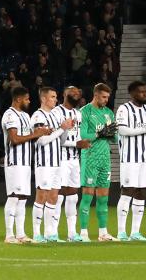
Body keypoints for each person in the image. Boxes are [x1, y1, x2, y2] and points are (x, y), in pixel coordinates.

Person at [2, 86, 50, 245]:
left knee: (22, 199)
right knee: (14, 197)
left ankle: (20, 234)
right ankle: (9, 235)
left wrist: (43, 132)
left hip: (25, 162)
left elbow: (31, 138)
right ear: (18, 99)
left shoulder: (25, 116)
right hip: (15, 162)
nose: (29, 101)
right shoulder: (10, 115)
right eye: (27, 99)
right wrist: (35, 134)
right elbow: (14, 139)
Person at [29, 86, 74, 243]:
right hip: (44, 162)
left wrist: (67, 129)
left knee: (54, 197)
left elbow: (60, 140)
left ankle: (49, 233)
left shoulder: (55, 116)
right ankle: (36, 233)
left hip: (57, 162)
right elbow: (41, 140)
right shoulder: (37, 116)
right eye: (53, 97)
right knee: (41, 196)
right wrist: (61, 129)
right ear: (43, 99)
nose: (56, 99)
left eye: (56, 97)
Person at [115, 81, 146, 241]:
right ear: (132, 94)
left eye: (145, 92)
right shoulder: (124, 109)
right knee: (128, 192)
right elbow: (122, 130)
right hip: (129, 158)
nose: (144, 94)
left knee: (141, 193)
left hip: (144, 158)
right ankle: (121, 232)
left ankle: (135, 232)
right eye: (141, 92)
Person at [78, 82, 118, 242]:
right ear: (95, 95)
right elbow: (83, 135)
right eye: (103, 97)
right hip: (90, 158)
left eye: (108, 97)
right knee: (87, 196)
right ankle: (83, 233)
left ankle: (103, 233)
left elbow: (114, 136)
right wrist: (100, 133)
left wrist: (108, 133)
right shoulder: (85, 111)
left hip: (105, 159)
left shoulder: (109, 113)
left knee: (103, 197)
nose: (106, 100)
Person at [52, 85, 89, 241]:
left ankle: (72, 233)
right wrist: (76, 144)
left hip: (74, 159)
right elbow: (54, 137)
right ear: (64, 94)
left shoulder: (78, 114)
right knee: (58, 194)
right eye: (72, 92)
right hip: (60, 159)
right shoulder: (55, 112)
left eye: (78, 92)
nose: (76, 93)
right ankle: (52, 232)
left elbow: (79, 135)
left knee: (73, 195)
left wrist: (84, 142)